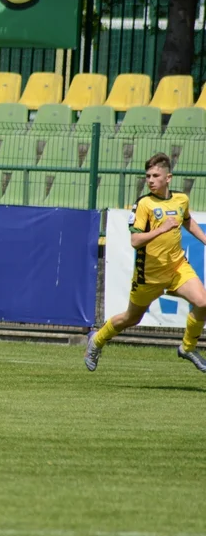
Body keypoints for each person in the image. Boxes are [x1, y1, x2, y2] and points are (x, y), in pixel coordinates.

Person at [85, 152, 206, 373]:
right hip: (148, 275)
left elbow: (187, 221)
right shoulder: (144, 204)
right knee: (131, 318)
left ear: (168, 178)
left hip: (177, 267)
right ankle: (97, 340)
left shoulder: (181, 200)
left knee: (203, 302)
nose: (150, 180)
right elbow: (135, 240)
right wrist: (161, 229)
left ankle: (187, 348)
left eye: (155, 175)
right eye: (148, 176)